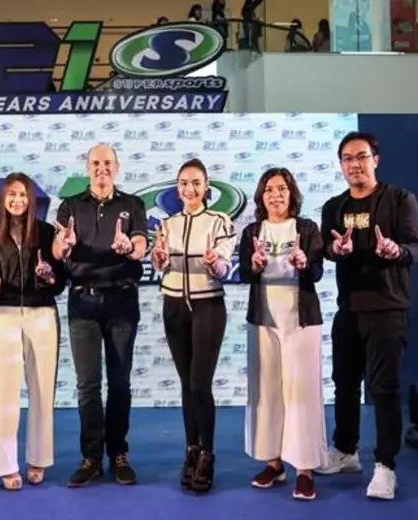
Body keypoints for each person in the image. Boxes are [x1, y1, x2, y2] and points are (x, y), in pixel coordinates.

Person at [315, 131, 418, 500]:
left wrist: (396, 250)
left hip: (389, 308)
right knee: (344, 384)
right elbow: (327, 250)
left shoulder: (400, 199)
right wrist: (336, 249)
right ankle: (346, 451)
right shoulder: (334, 207)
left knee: (383, 388)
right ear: (341, 165)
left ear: (375, 160)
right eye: (347, 158)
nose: (355, 164)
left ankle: (385, 465)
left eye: (361, 156)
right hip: (349, 309)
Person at [52, 143, 148, 487]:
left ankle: (118, 453)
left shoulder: (132, 204)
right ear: (87, 167)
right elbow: (57, 248)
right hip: (83, 302)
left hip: (122, 301)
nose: (101, 168)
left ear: (117, 167)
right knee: (87, 385)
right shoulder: (70, 205)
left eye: (108, 162)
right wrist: (63, 245)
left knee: (120, 382)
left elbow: (141, 244)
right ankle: (91, 457)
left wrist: (130, 247)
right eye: (96, 162)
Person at [238, 168, 327, 501]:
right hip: (264, 320)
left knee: (301, 392)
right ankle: (273, 463)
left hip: (301, 320)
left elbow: (316, 272)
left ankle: (304, 469)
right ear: (261, 197)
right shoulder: (252, 231)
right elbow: (245, 273)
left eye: (282, 189)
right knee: (268, 391)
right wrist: (255, 264)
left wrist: (304, 263)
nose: (275, 195)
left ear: (292, 194)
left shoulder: (307, 228)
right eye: (269, 189)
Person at [150, 158, 236, 494]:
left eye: (196, 183)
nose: (190, 189)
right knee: (187, 384)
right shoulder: (167, 224)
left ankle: (208, 454)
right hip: (173, 306)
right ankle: (191, 450)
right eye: (184, 183)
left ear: (206, 187)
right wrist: (158, 260)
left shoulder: (219, 221)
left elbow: (225, 267)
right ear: (177, 188)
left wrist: (215, 264)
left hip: (208, 306)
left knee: (200, 384)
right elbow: (160, 264)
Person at [0, 172, 66, 490]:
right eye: (12, 194)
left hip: (42, 314)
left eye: (23, 195)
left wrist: (48, 276)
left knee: (42, 389)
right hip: (3, 316)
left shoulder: (46, 233)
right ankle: (5, 464)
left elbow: (59, 282)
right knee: (4, 392)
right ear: (3, 199)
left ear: (31, 200)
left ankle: (38, 458)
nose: (17, 200)